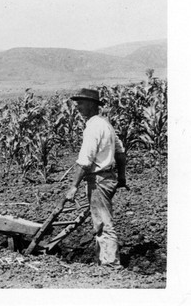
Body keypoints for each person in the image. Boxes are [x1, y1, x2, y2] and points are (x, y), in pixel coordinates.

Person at [65, 88, 127, 268]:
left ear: (92, 105)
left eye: (81, 103)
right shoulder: (106, 124)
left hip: (98, 179)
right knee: (100, 219)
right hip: (109, 178)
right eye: (76, 103)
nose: (77, 106)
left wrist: (73, 186)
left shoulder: (93, 127)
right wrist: (121, 178)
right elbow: (121, 153)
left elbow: (85, 162)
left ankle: (110, 265)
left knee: (103, 221)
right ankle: (102, 260)